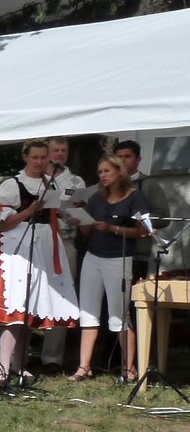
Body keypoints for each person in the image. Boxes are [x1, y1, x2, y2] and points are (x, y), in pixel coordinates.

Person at [0, 139, 81, 389]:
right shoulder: (13, 185)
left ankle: (19, 364)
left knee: (30, 309)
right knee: (15, 309)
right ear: (26, 158)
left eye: (43, 157)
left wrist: (71, 215)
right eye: (35, 157)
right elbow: (3, 224)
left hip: (43, 246)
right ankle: (3, 367)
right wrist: (29, 211)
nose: (39, 162)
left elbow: (55, 212)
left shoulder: (50, 183)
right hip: (17, 248)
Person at [69, 154, 150, 383]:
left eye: (107, 171)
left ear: (119, 171)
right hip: (93, 257)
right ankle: (84, 366)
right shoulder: (96, 198)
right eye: (100, 172)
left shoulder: (135, 196)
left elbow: (143, 231)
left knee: (118, 315)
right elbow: (89, 232)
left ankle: (129, 368)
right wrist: (81, 222)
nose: (102, 176)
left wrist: (113, 229)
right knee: (87, 312)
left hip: (119, 258)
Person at [38, 136, 86, 372]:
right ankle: (18, 355)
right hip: (37, 243)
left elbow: (81, 211)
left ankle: (52, 358)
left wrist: (68, 210)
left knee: (61, 297)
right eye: (55, 150)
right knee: (30, 294)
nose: (59, 154)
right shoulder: (34, 176)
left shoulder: (75, 181)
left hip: (64, 241)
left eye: (63, 150)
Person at [112, 140, 171, 280]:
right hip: (106, 251)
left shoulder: (149, 185)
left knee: (133, 292)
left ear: (138, 159)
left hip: (137, 253)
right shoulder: (107, 184)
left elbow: (163, 217)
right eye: (119, 157)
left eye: (127, 156)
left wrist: (137, 220)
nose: (123, 161)